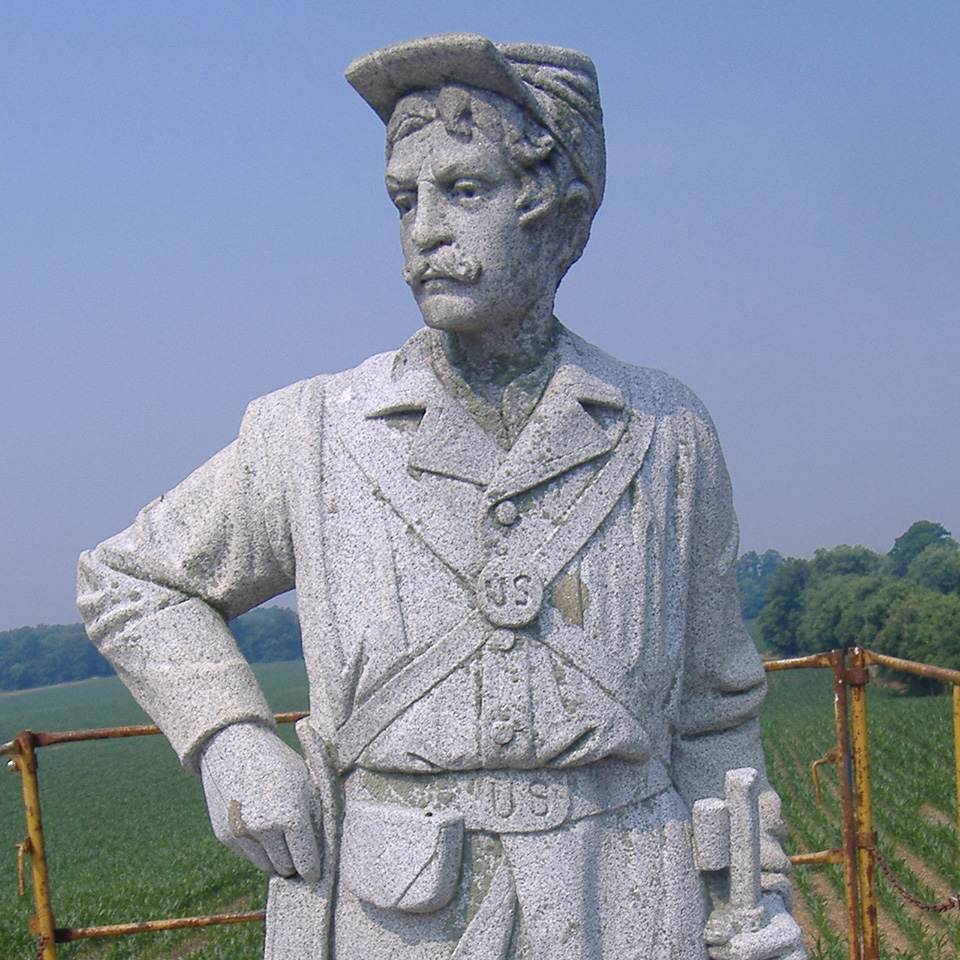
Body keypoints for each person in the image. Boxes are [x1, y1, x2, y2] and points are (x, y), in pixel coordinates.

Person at [78, 33, 806, 960]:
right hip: (401, 916)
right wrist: (228, 737)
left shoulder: (666, 433)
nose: (424, 229)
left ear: (561, 212)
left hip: (628, 902)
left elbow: (717, 716)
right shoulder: (311, 431)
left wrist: (752, 897)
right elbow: (131, 580)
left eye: (465, 190)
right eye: (403, 199)